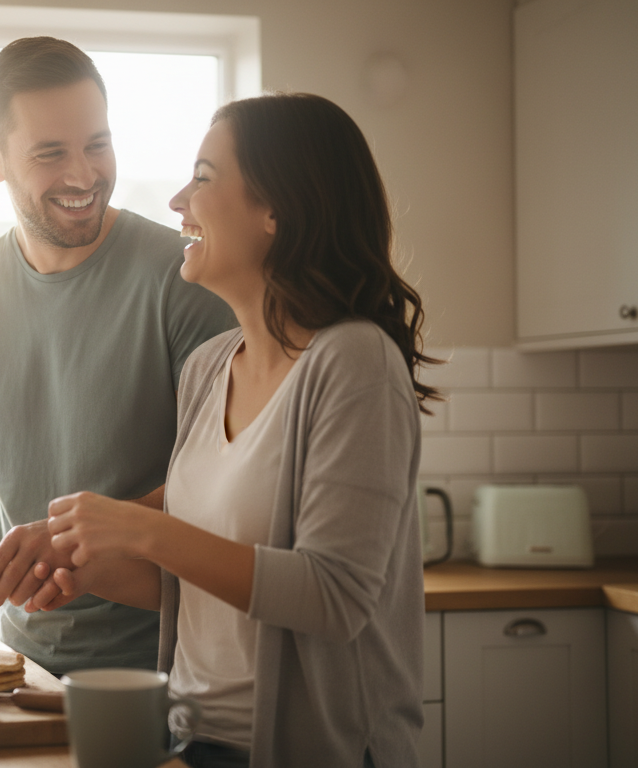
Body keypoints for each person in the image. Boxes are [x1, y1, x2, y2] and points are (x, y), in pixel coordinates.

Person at [36, 93, 435, 768]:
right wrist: (84, 566)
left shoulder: (355, 360)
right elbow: (202, 586)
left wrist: (141, 530)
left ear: (276, 208)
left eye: (203, 177)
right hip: (193, 739)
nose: (177, 201)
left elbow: (333, 598)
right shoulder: (207, 367)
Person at [0, 37, 237, 675]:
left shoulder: (183, 283)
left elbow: (225, 485)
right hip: (24, 662)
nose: (83, 175)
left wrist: (71, 538)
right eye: (50, 153)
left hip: (166, 664)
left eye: (98, 144)